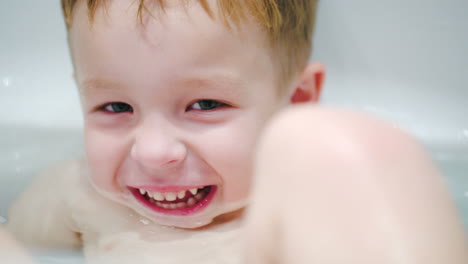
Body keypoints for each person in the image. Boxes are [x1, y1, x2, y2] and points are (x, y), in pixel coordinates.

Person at [6, 0, 467, 263]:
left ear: (299, 100)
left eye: (206, 104)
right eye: (114, 106)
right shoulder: (77, 196)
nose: (153, 152)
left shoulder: (297, 211)